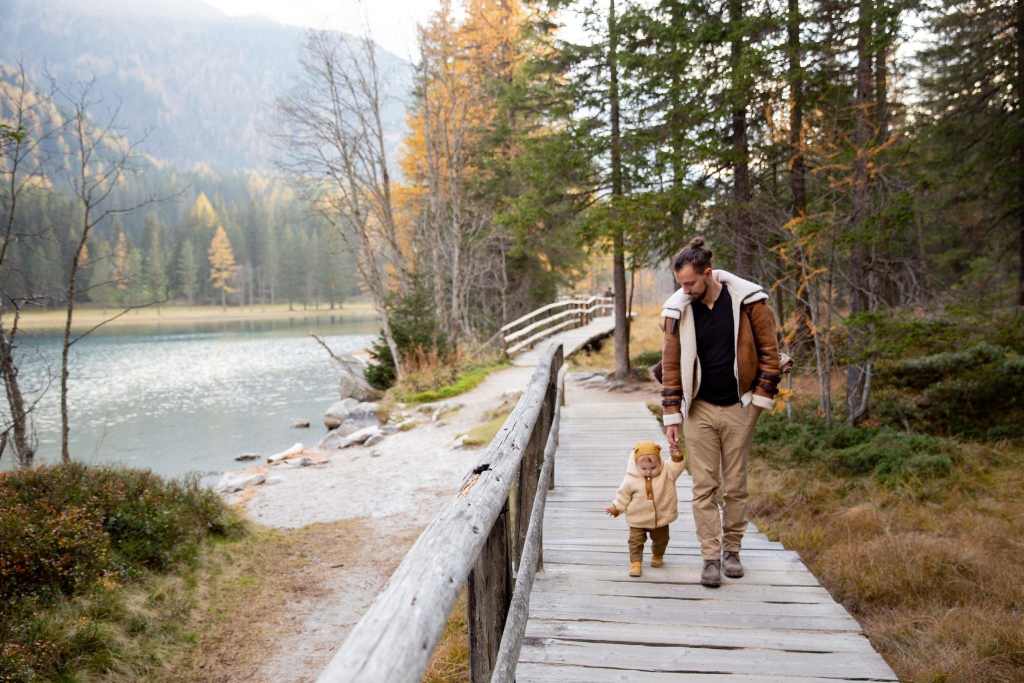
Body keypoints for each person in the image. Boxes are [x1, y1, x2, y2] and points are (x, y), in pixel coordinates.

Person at [660, 236, 781, 588]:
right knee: (703, 487)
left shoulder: (749, 303)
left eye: (690, 283)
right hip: (698, 410)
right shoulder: (678, 309)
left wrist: (758, 403)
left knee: (736, 486)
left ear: (708, 273)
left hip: (739, 407)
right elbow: (670, 366)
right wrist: (672, 416)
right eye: (680, 283)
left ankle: (733, 551)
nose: (684, 290)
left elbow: (770, 355)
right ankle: (710, 558)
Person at [605, 440, 686, 577]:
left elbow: (677, 466)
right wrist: (616, 507)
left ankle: (657, 555)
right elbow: (623, 495)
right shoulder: (631, 479)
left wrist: (677, 457)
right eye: (644, 469)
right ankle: (635, 563)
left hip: (660, 518)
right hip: (638, 518)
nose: (648, 471)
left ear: (659, 462)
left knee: (662, 539)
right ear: (635, 465)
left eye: (653, 467)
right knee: (635, 541)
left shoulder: (667, 472)